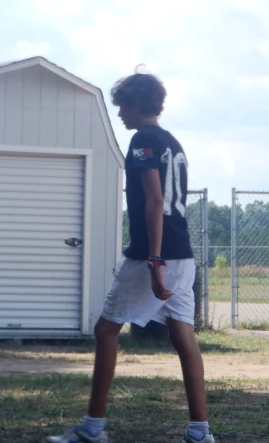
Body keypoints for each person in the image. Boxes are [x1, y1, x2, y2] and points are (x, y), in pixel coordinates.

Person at [47, 67, 215, 443]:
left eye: (122, 105)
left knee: (106, 330)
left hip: (151, 256)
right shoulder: (172, 141)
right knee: (184, 337)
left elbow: (155, 201)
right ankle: (200, 431)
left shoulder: (142, 141)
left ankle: (93, 427)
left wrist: (153, 261)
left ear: (137, 104)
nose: (119, 113)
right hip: (183, 254)